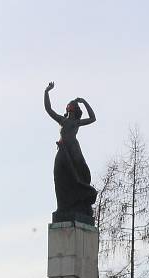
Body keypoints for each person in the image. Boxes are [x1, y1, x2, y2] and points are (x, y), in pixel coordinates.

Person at [44, 81, 98, 221]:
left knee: (77, 176)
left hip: (73, 151)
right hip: (62, 150)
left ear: (73, 109)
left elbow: (93, 118)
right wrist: (47, 92)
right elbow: (49, 109)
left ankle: (79, 201)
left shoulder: (76, 122)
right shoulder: (62, 120)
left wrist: (84, 101)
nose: (69, 107)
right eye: (69, 105)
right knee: (59, 175)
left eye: (72, 106)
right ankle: (62, 206)